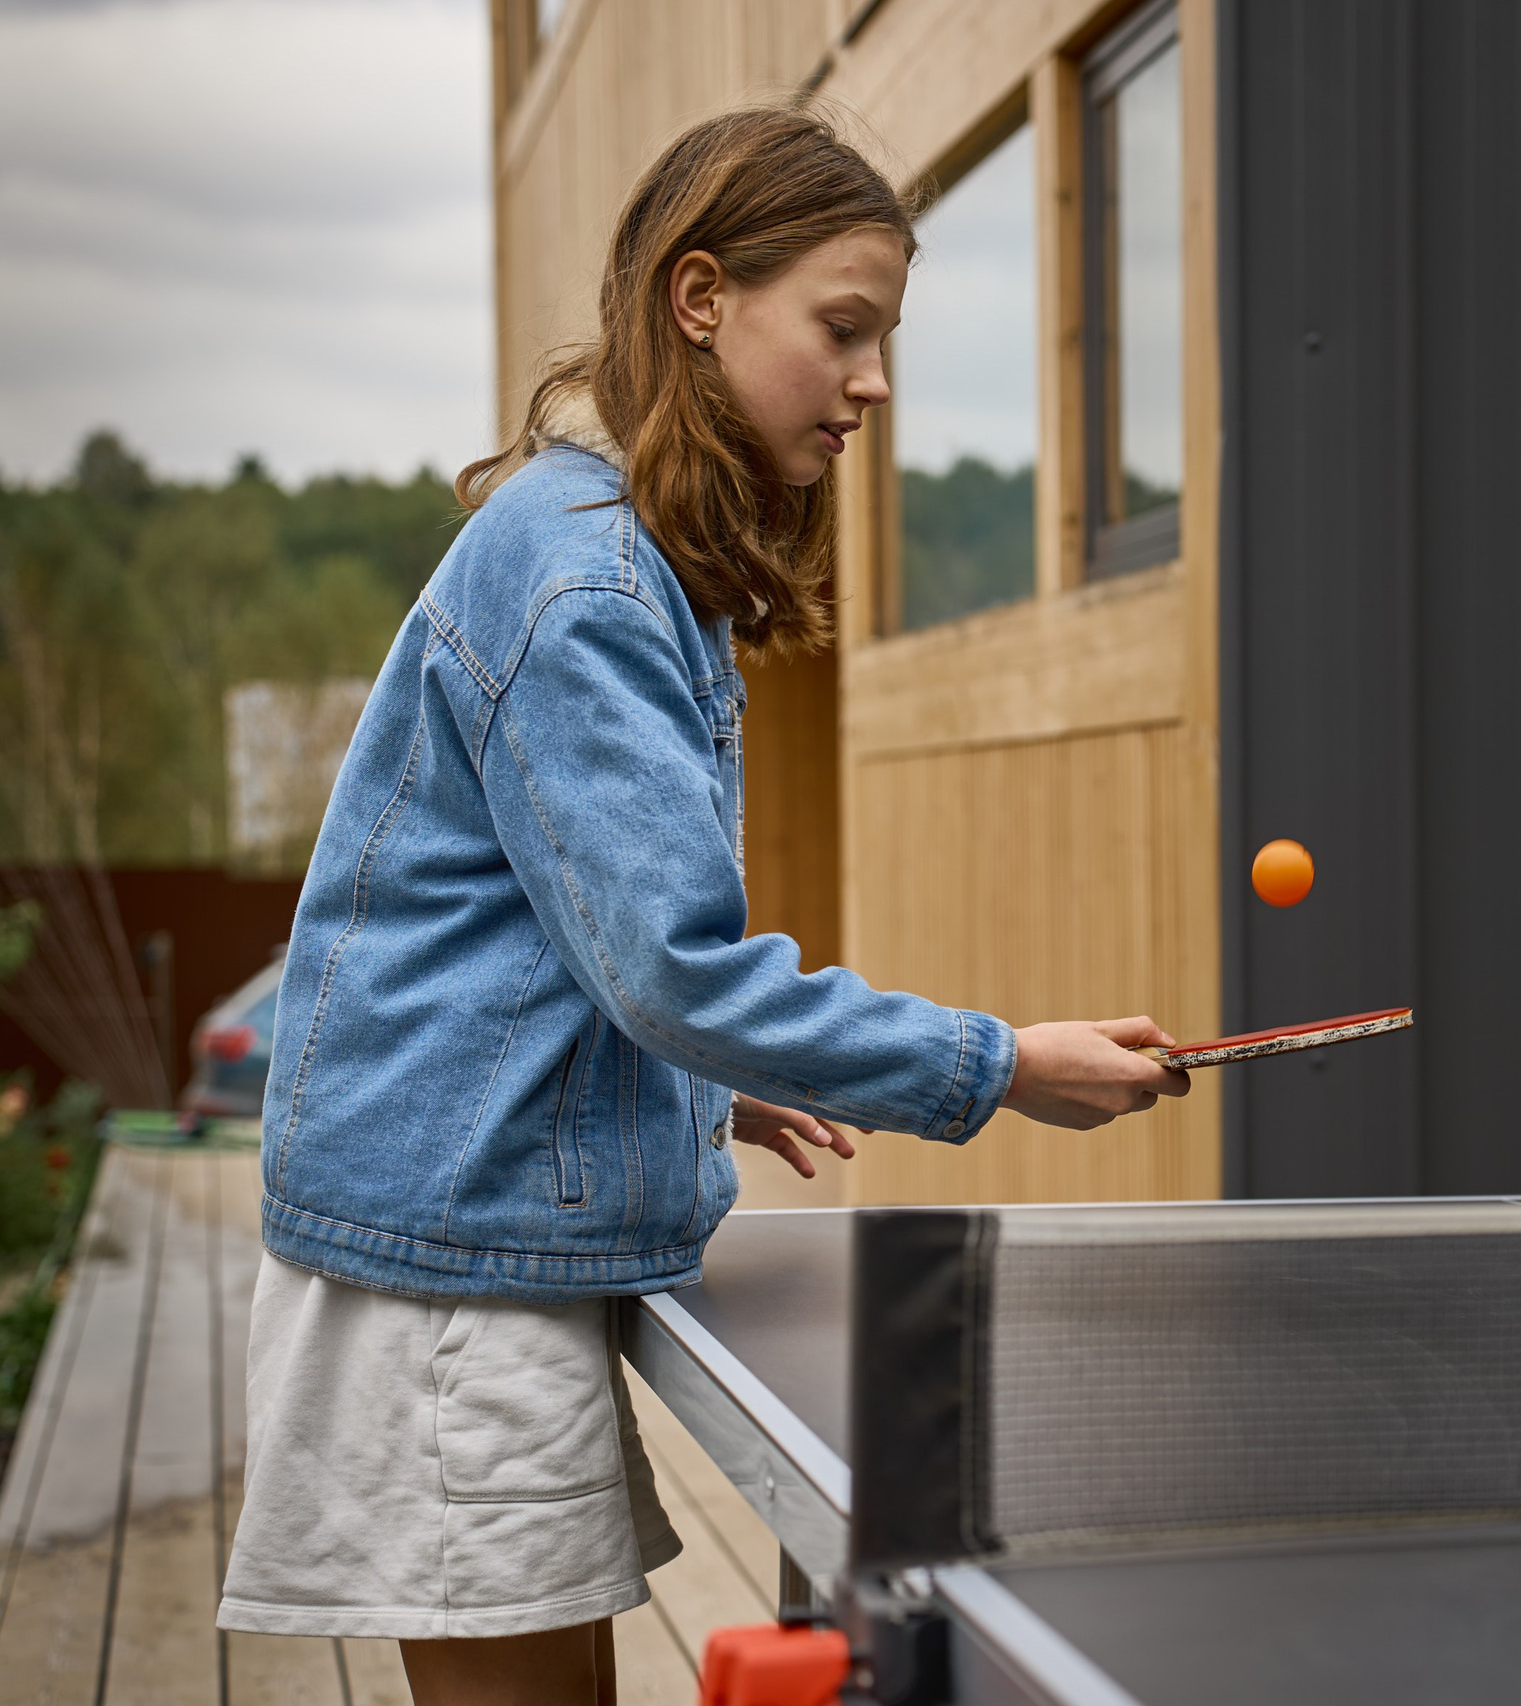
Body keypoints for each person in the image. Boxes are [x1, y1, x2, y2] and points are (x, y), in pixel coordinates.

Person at [213, 103, 1187, 1705]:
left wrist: (703, 1079)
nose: (874, 380)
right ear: (702, 298)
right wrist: (1002, 1062)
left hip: (471, 1230)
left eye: (883, 338)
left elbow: (541, 942)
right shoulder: (588, 582)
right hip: (446, 1273)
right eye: (845, 329)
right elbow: (671, 965)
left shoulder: (623, 556)